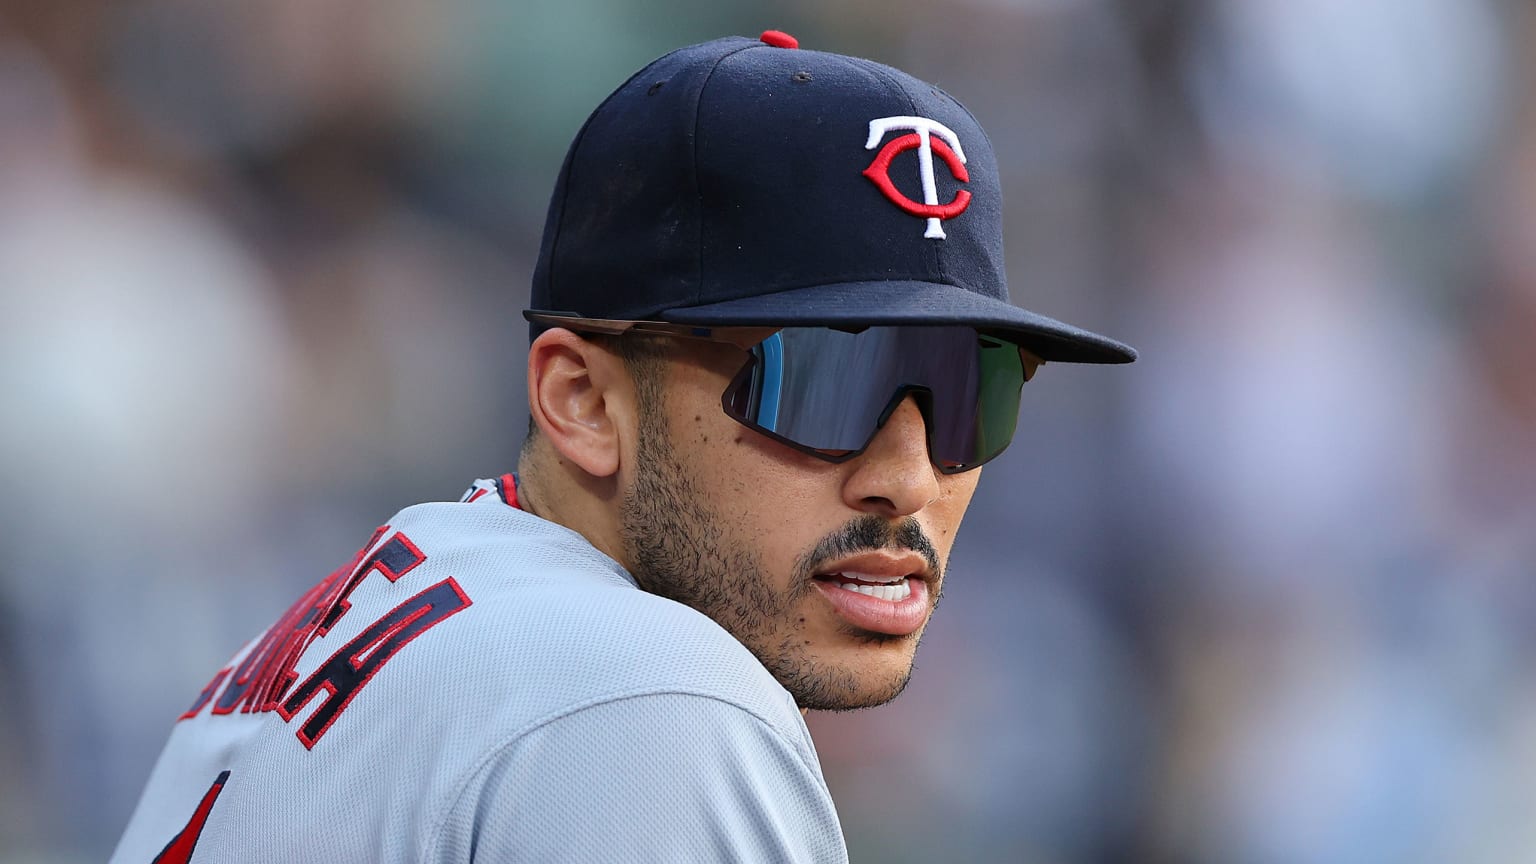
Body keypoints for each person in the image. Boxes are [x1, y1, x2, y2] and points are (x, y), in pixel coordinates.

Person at [112, 31, 1134, 863]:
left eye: (972, 394)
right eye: (828, 382)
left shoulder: (330, 637)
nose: (910, 477)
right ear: (583, 402)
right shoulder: (646, 688)